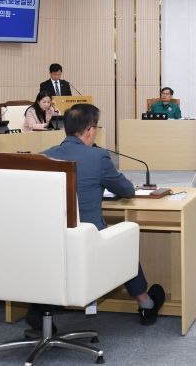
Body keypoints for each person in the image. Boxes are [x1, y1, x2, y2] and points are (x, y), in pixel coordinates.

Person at [36, 103, 165, 330]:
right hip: (87, 240)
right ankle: (146, 303)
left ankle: (37, 311)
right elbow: (127, 190)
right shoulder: (97, 156)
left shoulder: (44, 156)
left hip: (50, 240)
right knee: (123, 241)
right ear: (89, 129)